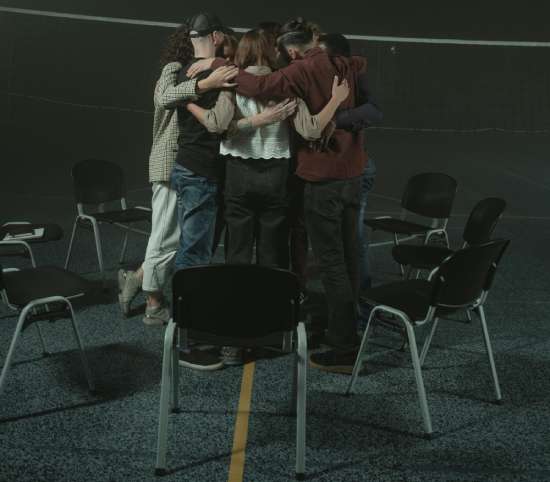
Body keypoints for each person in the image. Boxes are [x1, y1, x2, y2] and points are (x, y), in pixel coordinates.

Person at [233, 17, 368, 372]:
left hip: (322, 180)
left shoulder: (299, 71)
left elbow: (259, 86)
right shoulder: (342, 63)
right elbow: (360, 79)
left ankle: (343, 348)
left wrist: (221, 67)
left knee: (331, 264)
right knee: (350, 257)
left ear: (292, 48)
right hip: (352, 175)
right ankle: (347, 330)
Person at [117, 23, 238, 326]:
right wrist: (205, 86)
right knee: (166, 236)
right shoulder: (174, 68)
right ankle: (154, 304)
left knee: (184, 237)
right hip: (171, 162)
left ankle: (138, 278)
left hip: (195, 164)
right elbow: (163, 98)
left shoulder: (206, 70)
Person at [171, 12, 236, 370]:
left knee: (197, 253)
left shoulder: (187, 70)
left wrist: (214, 60)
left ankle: (189, 331)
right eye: (223, 37)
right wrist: (219, 62)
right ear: (215, 35)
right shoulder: (213, 72)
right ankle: (186, 341)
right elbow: (241, 68)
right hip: (200, 172)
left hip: (196, 169)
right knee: (194, 255)